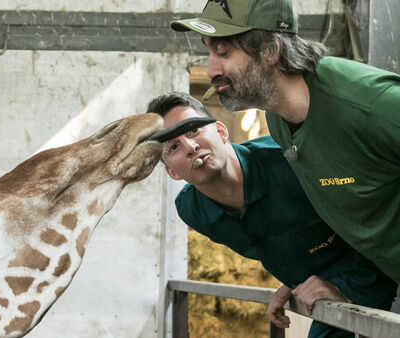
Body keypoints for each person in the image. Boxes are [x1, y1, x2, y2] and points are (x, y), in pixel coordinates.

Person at [169, 0, 400, 311]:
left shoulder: (368, 105)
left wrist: (350, 287)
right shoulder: (279, 121)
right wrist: (309, 278)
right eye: (210, 53)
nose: (212, 70)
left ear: (270, 50)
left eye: (223, 53)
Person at [146, 91, 396, 337]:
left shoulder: (291, 160)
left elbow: (380, 216)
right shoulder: (194, 211)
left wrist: (346, 289)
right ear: (172, 172)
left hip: (379, 265)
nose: (191, 146)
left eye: (193, 130)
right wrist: (293, 280)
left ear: (221, 132)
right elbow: (280, 239)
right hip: (324, 287)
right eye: (174, 147)